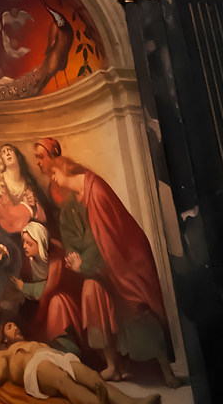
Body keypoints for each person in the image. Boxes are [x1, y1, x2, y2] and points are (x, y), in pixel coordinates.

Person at [33, 137, 173, 376]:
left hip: (123, 264)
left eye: (54, 173)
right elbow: (73, 241)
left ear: (63, 167)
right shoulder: (70, 206)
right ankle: (112, 363)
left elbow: (107, 239)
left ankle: (163, 368)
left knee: (135, 307)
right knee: (90, 292)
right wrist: (76, 261)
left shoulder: (95, 190)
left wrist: (83, 263)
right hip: (97, 270)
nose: (53, 179)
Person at [0, 320, 166, 404]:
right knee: (63, 382)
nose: (15, 327)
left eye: (15, 324)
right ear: (3, 338)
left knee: (93, 377)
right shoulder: (3, 354)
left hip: (56, 357)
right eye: (9, 326)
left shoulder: (32, 341)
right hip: (34, 367)